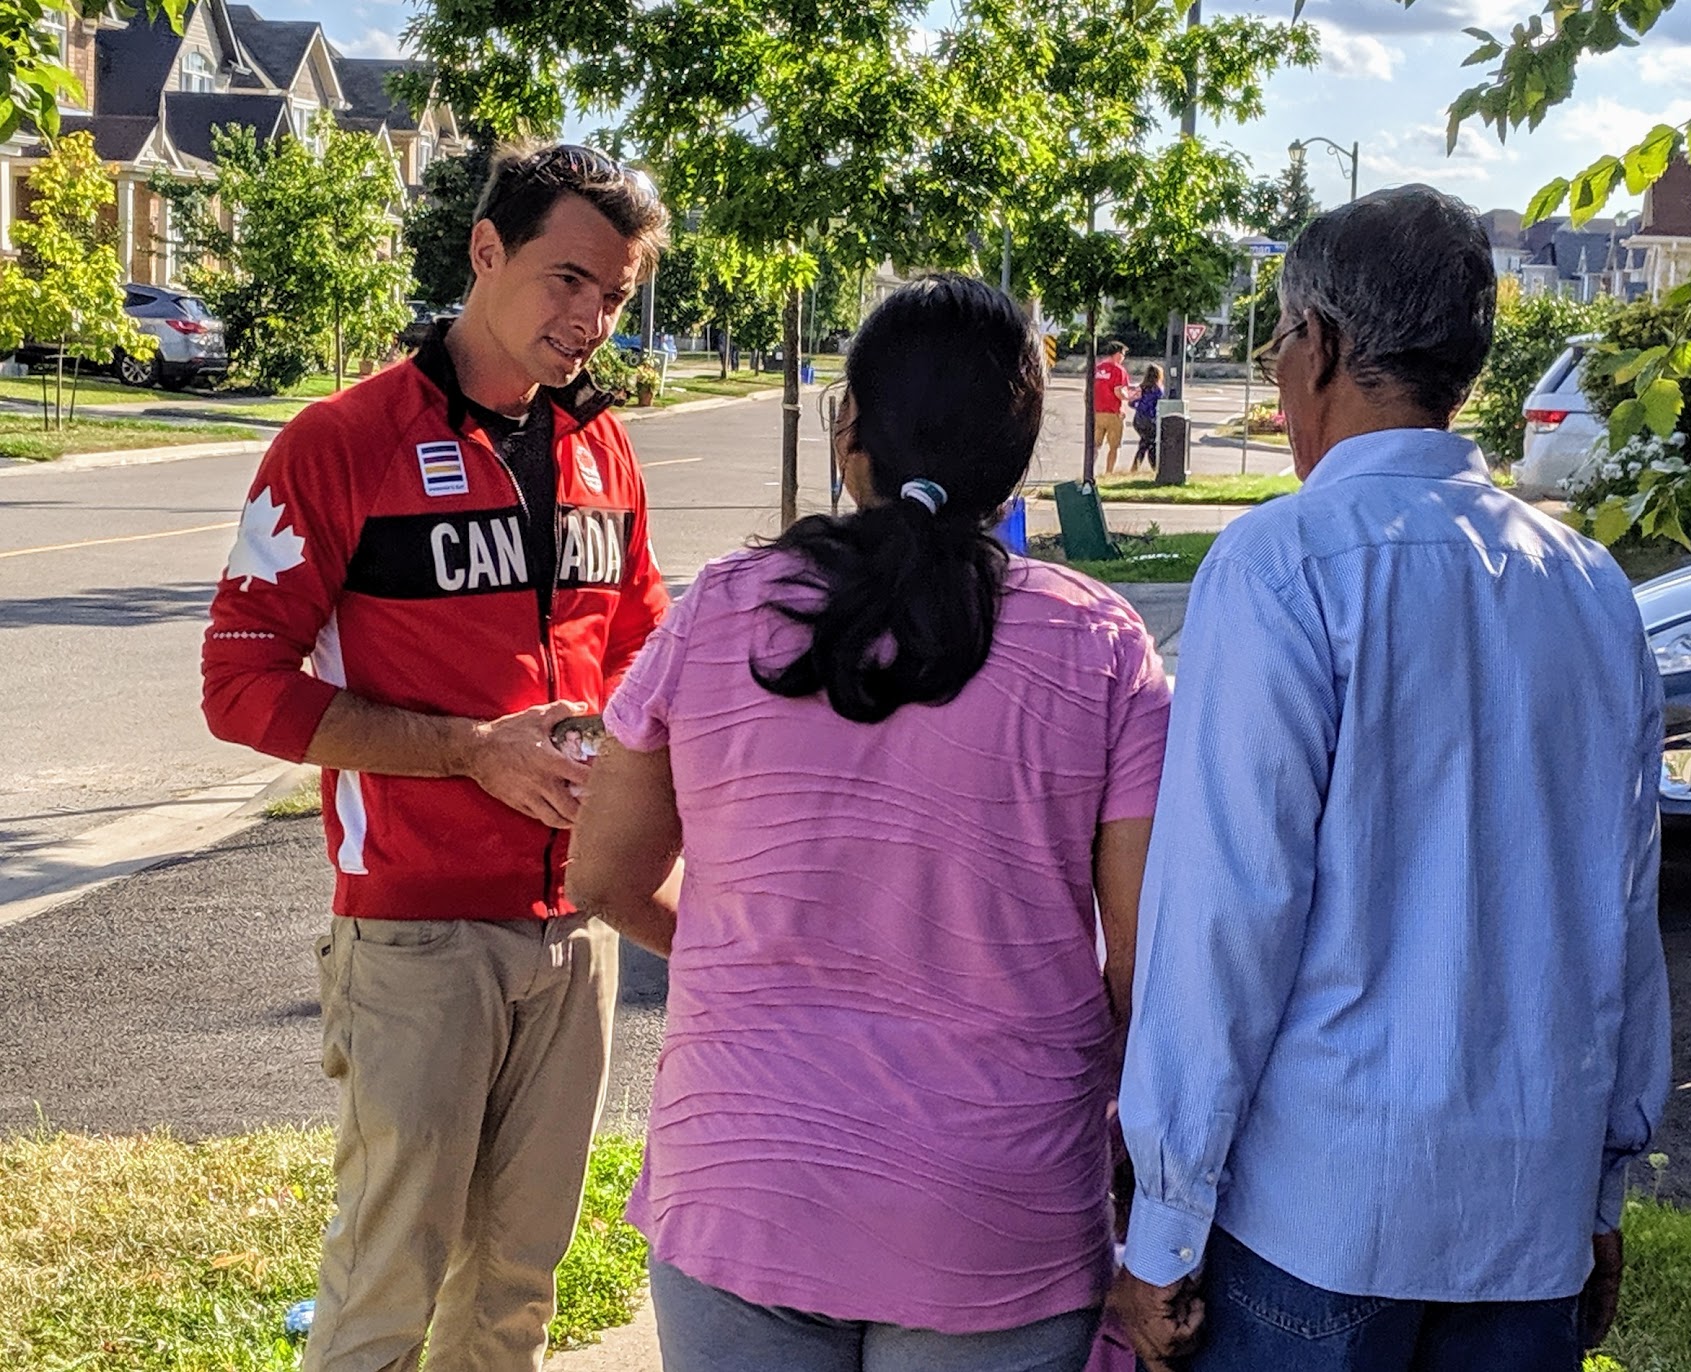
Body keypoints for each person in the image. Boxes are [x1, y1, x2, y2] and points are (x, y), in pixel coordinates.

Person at [568, 274, 1173, 1372]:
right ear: (1018, 456)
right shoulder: (1100, 646)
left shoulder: (722, 609)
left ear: (850, 431)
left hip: (744, 1175)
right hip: (995, 1203)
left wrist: (758, 953)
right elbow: (1144, 963)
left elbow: (604, 874)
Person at [1112, 186, 1671, 1372]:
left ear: (1316, 345)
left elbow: (1224, 917)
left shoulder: (1280, 565)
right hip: (1529, 1207)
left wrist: (1162, 1220)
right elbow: (1626, 912)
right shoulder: (1588, 584)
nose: (1275, 380)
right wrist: (1602, 1184)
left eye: (1276, 344)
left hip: (1320, 1219)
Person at [200, 143, 673, 1372]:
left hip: (579, 923)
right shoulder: (339, 441)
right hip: (415, 935)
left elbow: (643, 646)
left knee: (516, 1286)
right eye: (568, 280)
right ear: (485, 250)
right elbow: (240, 687)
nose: (591, 319)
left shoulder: (602, 446)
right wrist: (469, 750)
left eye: (614, 295)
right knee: (387, 1284)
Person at [1094, 340, 1131, 474]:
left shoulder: (1097, 368)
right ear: (1117, 354)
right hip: (1113, 413)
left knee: (1095, 445)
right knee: (1114, 447)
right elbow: (1118, 391)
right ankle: (1108, 472)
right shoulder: (1118, 370)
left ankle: (1090, 470)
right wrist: (1129, 397)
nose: (1123, 358)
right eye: (1123, 354)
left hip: (1097, 412)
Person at [1130, 362, 1164, 472]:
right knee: (1151, 444)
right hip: (1151, 421)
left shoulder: (1141, 388)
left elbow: (1132, 402)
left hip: (1139, 420)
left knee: (1144, 443)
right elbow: (1160, 405)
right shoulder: (1158, 390)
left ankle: (1136, 467)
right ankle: (1155, 468)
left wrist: (1139, 406)